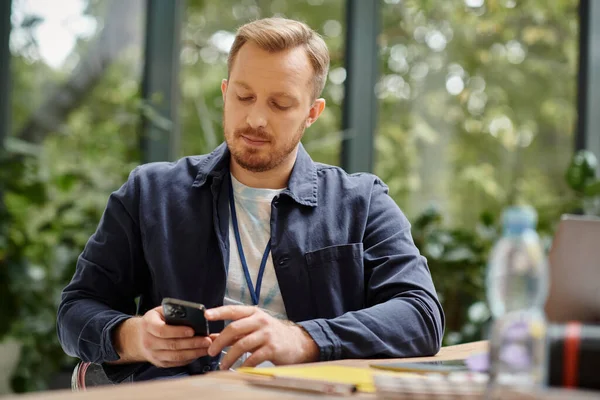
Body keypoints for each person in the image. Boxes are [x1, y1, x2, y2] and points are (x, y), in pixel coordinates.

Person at [57, 17, 445, 383]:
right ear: (226, 93)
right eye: (244, 96)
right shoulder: (150, 192)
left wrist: (304, 340)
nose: (256, 119)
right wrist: (134, 336)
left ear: (312, 113)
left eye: (280, 104)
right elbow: (76, 310)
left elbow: (421, 317)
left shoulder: (362, 202)